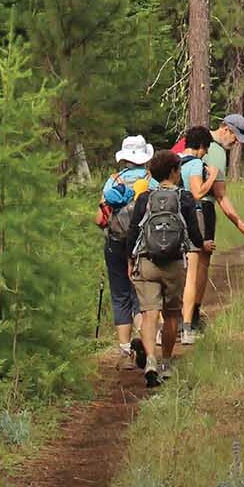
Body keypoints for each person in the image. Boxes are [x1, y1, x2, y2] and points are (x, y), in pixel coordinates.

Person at [126, 149, 210, 388]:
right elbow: (194, 233)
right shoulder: (184, 197)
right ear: (174, 172)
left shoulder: (145, 198)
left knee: (149, 313)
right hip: (173, 263)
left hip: (147, 262)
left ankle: (150, 361)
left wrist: (130, 259)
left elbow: (133, 231)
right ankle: (165, 363)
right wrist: (203, 243)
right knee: (172, 314)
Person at [183, 112, 244, 335]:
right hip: (202, 209)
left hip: (179, 206)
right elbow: (220, 195)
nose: (236, 143)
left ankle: (179, 316)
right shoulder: (215, 152)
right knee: (200, 264)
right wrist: (239, 223)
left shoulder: (193, 141)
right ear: (225, 129)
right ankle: (192, 317)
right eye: (235, 137)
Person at [99, 134, 153, 365]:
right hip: (143, 245)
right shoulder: (151, 181)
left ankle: (125, 353)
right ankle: (146, 344)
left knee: (120, 294)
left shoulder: (113, 181)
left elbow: (100, 217)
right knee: (141, 296)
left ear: (124, 158)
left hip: (115, 242)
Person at [177, 125, 214, 345]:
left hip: (170, 223)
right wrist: (212, 177)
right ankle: (187, 326)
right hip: (190, 220)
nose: (205, 152)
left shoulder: (172, 161)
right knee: (191, 275)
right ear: (200, 146)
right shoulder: (196, 164)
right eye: (205, 148)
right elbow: (197, 192)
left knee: (174, 275)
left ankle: (165, 327)